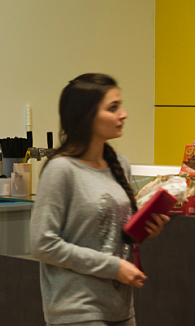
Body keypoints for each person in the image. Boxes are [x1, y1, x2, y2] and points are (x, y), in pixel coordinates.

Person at [31, 73, 168, 326]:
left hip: (120, 308)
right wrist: (112, 267)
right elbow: (43, 244)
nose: (123, 114)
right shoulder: (61, 170)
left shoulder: (120, 165)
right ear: (87, 116)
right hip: (76, 309)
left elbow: (110, 234)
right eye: (113, 108)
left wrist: (145, 229)